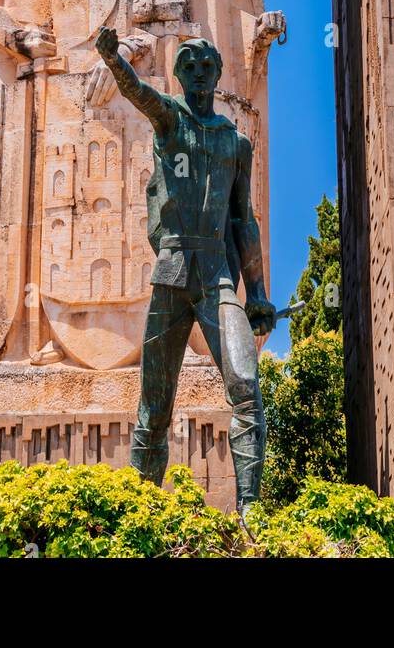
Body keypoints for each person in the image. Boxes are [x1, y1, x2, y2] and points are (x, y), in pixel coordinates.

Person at [94, 26, 276, 516]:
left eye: (206, 65)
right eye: (189, 65)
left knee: (246, 388)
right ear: (179, 75)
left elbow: (244, 219)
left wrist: (256, 293)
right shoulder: (170, 119)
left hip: (217, 275)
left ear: (217, 74)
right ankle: (142, 519)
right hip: (172, 273)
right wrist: (114, 61)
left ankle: (250, 515)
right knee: (154, 408)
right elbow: (140, 94)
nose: (198, 72)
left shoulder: (236, 144)